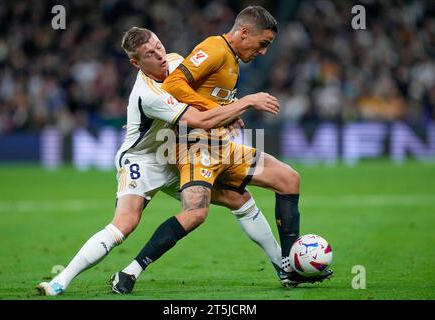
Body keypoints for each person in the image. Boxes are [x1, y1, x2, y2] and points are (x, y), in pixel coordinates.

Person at [37, 27, 283, 296]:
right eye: (150, 54)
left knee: (239, 198)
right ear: (136, 63)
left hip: (175, 154)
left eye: (158, 46)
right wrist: (243, 104)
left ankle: (282, 267)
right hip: (142, 161)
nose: (160, 55)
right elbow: (199, 120)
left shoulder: (177, 62)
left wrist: (226, 108)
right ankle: (61, 281)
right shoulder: (149, 92)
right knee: (125, 224)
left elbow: (203, 98)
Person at [112, 6, 333, 294]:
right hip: (193, 148)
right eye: (262, 44)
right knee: (194, 214)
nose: (263, 52)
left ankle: (290, 267)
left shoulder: (231, 58)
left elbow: (209, 95)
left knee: (288, 179)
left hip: (220, 145)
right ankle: (131, 270)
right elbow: (174, 86)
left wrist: (226, 108)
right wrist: (224, 108)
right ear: (243, 33)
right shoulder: (215, 48)